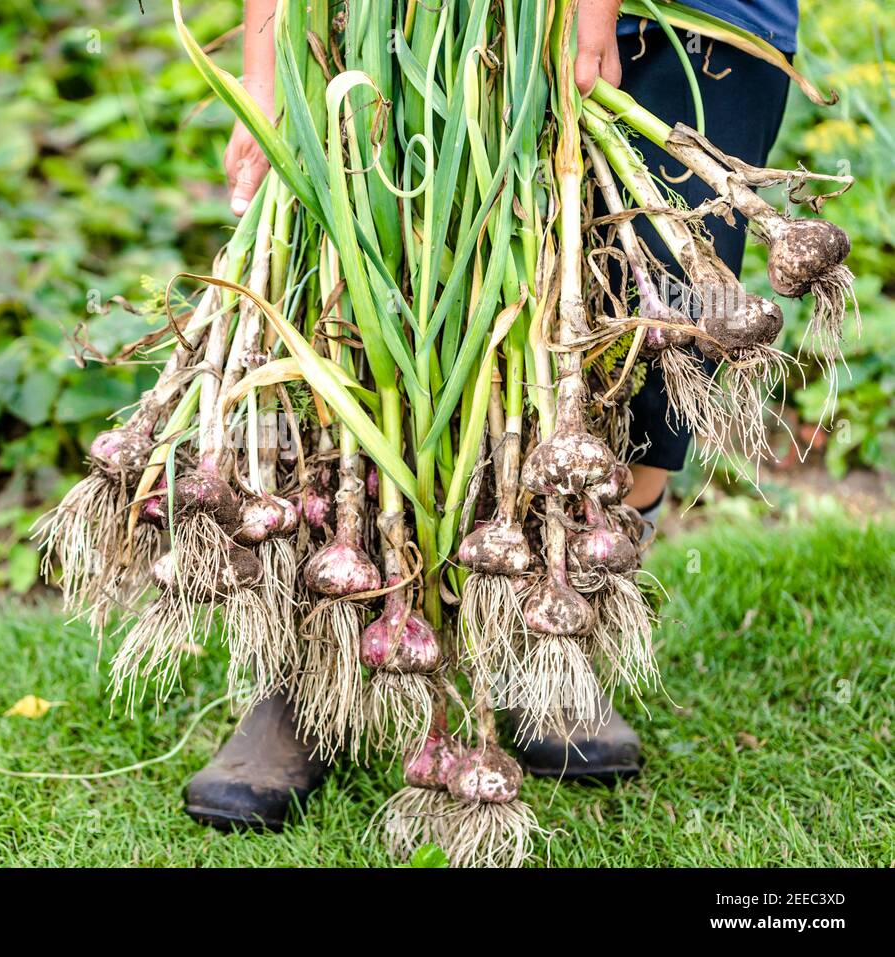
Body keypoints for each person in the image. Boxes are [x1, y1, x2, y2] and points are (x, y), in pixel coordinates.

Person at [184, 0, 796, 831]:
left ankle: (557, 625)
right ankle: (310, 665)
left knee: (671, 303)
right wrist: (265, 72)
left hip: (704, 15)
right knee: (380, 283)